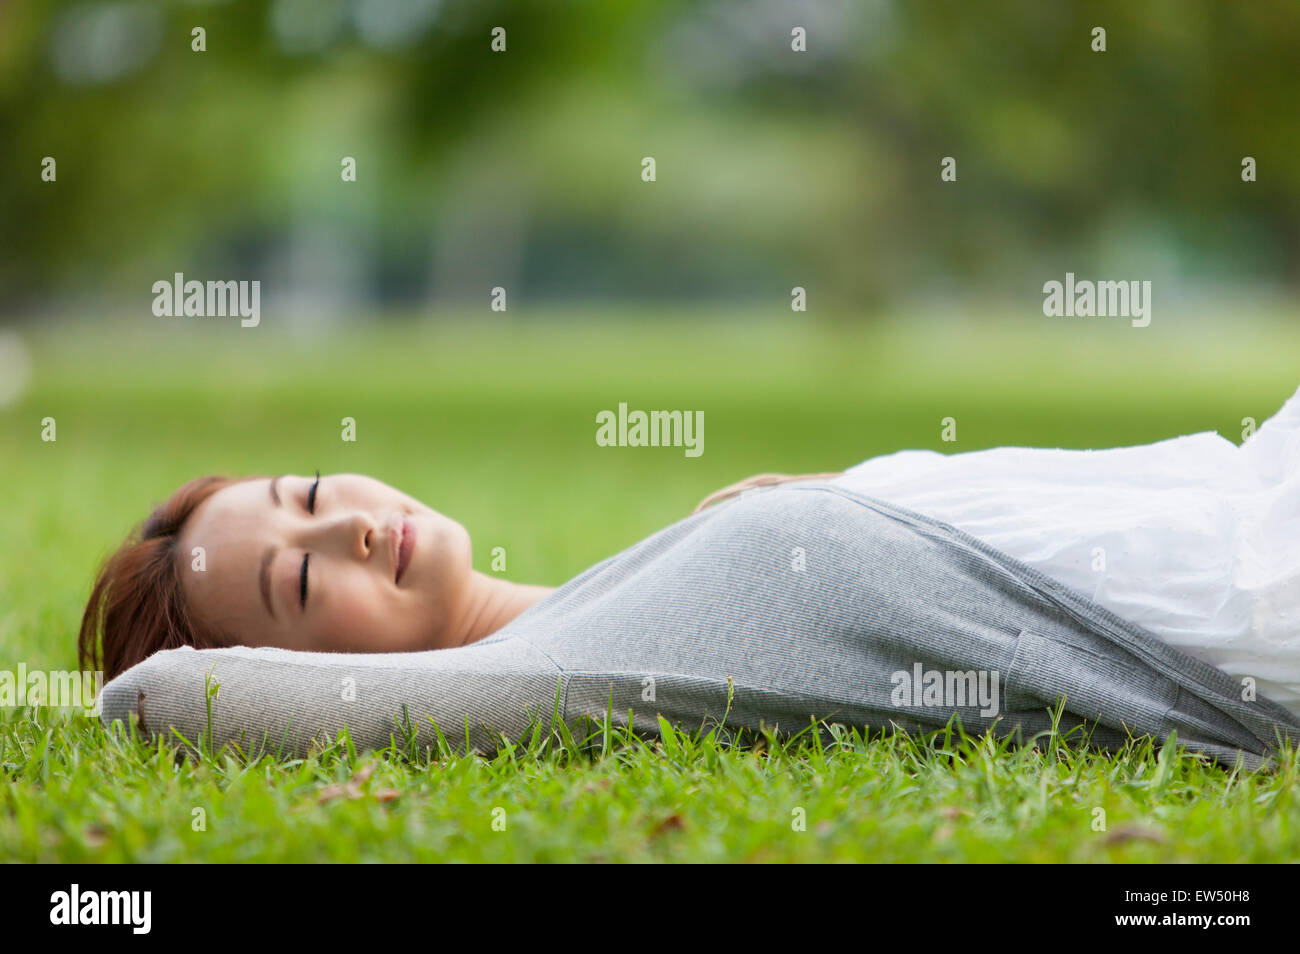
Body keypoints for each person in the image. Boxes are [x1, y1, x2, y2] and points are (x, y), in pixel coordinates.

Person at [85, 384, 1300, 765]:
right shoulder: (551, 676)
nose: (344, 529)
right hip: (1240, 609)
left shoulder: (605, 599)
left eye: (307, 494)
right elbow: (165, 697)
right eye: (298, 587)